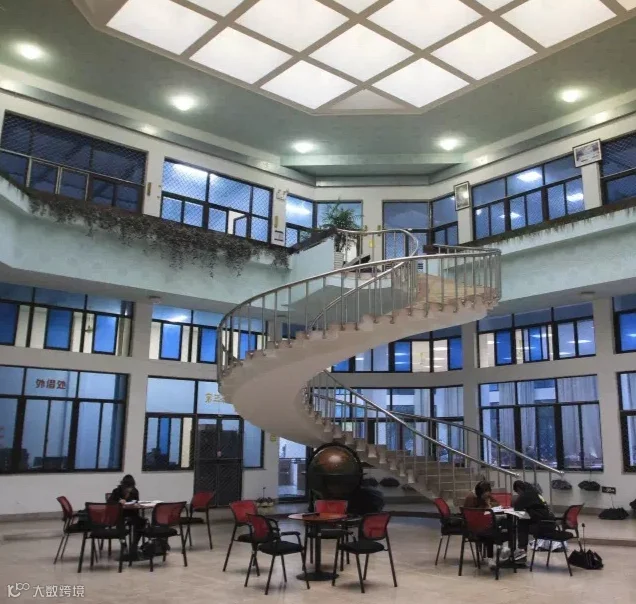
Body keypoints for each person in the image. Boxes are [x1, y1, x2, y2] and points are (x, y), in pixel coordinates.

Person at [513, 480, 555, 560]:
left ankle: (521, 551)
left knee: (522, 525)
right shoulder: (534, 491)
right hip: (549, 522)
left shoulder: (526, 494)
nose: (518, 495)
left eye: (518, 492)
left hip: (544, 526)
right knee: (523, 523)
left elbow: (517, 507)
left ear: (518, 489)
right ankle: (522, 551)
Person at [108, 475, 145, 558]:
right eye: (127, 487)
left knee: (142, 522)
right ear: (123, 485)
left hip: (131, 513)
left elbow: (137, 502)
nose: (129, 489)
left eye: (131, 487)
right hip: (120, 514)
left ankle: (134, 545)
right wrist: (119, 501)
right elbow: (110, 502)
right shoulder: (116, 491)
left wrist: (135, 504)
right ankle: (123, 545)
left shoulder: (135, 491)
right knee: (120, 523)